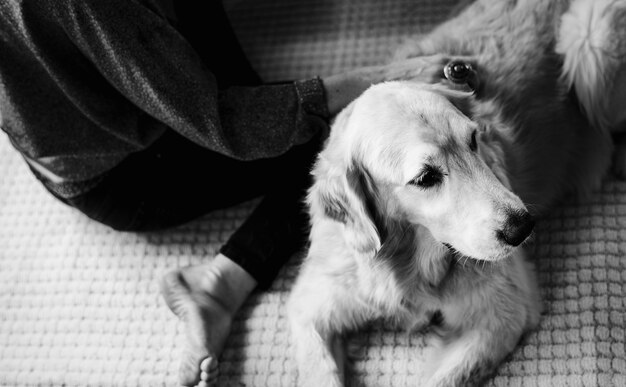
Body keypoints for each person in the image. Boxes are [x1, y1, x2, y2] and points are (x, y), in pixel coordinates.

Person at [0, 0, 447, 385]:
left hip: (63, 130)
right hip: (129, 172)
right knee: (337, 145)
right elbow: (227, 122)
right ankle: (218, 284)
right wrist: (384, 77)